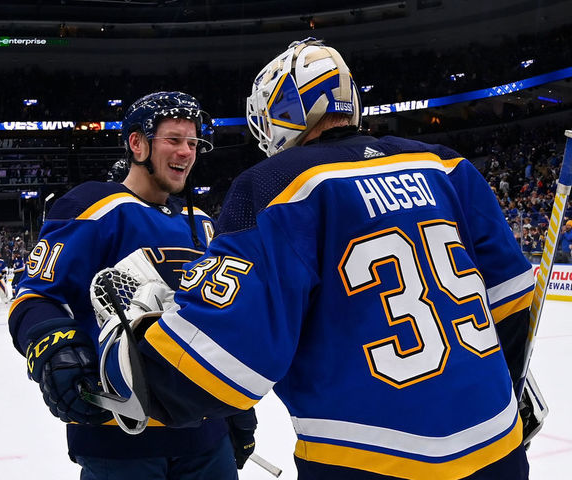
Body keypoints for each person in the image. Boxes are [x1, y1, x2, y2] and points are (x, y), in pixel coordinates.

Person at [98, 39, 535, 480]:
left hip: (366, 458)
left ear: (282, 110)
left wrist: (134, 348)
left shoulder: (274, 187)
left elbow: (216, 361)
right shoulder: (447, 166)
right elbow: (513, 300)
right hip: (498, 447)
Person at [8, 91, 255, 480]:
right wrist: (58, 352)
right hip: (120, 437)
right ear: (137, 143)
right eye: (174, 139)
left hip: (206, 437)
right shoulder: (93, 207)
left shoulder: (205, 225)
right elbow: (35, 296)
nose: (187, 152)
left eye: (192, 143)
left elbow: (215, 327)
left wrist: (238, 408)